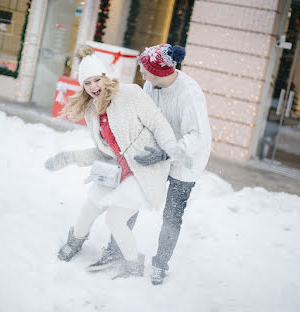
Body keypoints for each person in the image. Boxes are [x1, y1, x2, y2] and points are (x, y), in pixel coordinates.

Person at [44, 45, 190, 279]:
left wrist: (170, 150)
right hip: (117, 170)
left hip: (145, 170)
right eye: (87, 83)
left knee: (115, 219)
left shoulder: (130, 94)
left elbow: (159, 124)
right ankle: (75, 242)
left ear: (105, 77)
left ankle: (133, 265)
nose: (93, 87)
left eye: (96, 80)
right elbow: (105, 152)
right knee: (89, 207)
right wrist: (70, 157)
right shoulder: (93, 111)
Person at [87, 44, 211, 285]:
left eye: (145, 70)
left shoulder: (189, 94)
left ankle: (160, 264)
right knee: (131, 197)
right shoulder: (149, 86)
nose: (141, 74)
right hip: (154, 151)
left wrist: (167, 154)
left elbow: (198, 136)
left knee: (172, 213)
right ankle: (116, 252)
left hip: (187, 159)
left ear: (160, 72)